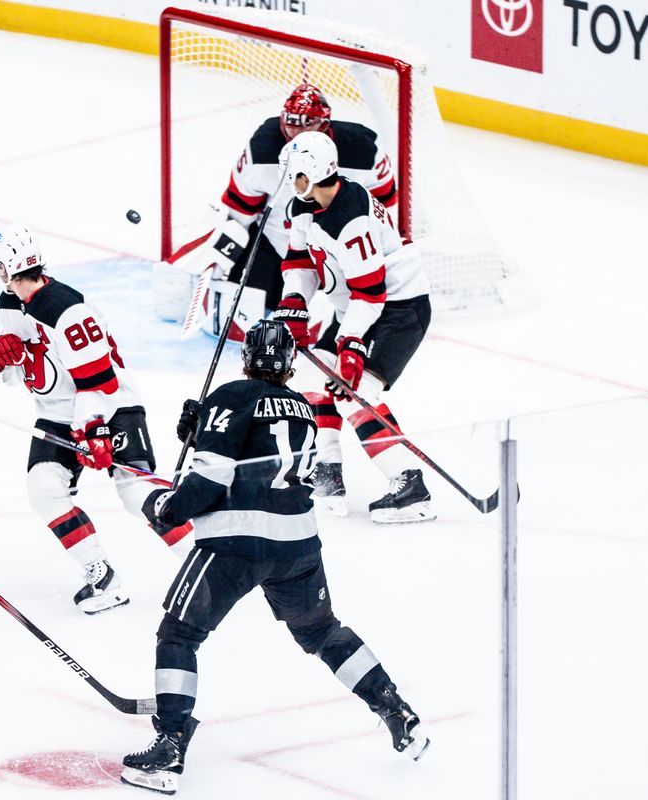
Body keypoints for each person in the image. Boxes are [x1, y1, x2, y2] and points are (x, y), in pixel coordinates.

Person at [122, 320, 428, 795]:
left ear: (246, 357)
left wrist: (166, 507)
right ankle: (395, 710)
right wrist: (205, 430)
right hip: (297, 546)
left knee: (179, 634)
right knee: (325, 633)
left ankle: (169, 749)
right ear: (288, 365)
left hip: (235, 544)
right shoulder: (304, 407)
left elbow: (209, 482)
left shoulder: (232, 395)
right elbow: (259, 447)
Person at [0, 224, 192, 615]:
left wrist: (93, 429)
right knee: (44, 489)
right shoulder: (8, 305)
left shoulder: (66, 308)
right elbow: (21, 375)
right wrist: (2, 359)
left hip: (113, 407)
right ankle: (103, 576)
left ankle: (203, 562)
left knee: (134, 492)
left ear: (5, 268)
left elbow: (101, 381)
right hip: (57, 415)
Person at [271, 130, 434, 522]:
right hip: (357, 307)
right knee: (314, 377)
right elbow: (298, 261)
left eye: (295, 174)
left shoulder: (350, 218)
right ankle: (327, 474)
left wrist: (351, 344)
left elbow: (371, 292)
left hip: (399, 310)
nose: (289, 181)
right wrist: (294, 301)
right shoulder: (304, 205)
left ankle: (409, 483)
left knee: (350, 390)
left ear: (314, 173)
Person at [168, 82, 398, 341]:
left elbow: (384, 209)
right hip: (279, 245)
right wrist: (222, 256)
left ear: (324, 125)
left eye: (306, 125)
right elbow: (238, 212)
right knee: (245, 317)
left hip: (336, 252)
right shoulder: (263, 148)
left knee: (338, 324)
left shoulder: (363, 150)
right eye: (291, 123)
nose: (296, 132)